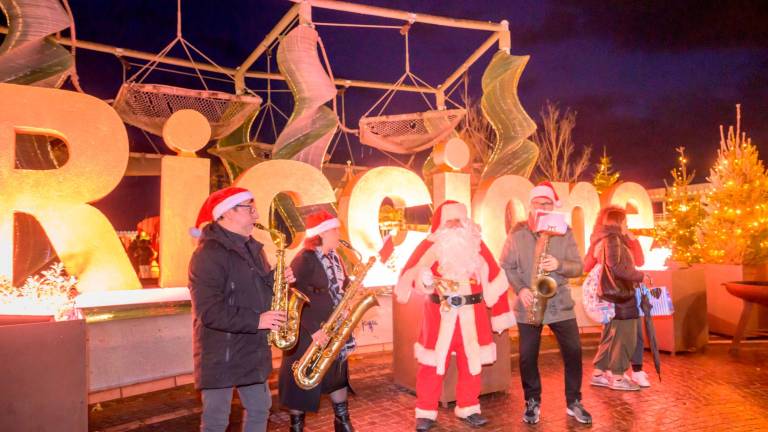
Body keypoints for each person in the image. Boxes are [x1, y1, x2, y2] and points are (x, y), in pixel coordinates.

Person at [396, 201, 515, 432]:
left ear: (466, 222)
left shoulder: (477, 245)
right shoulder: (430, 246)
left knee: (471, 363)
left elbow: (496, 279)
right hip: (439, 316)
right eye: (449, 221)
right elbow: (410, 276)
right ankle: (426, 411)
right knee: (431, 364)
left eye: (459, 220)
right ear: (440, 223)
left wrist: (499, 314)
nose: (454, 225)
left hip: (473, 315)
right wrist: (424, 279)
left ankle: (469, 407)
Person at [188, 186, 294, 432]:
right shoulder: (207, 255)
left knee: (260, 409)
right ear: (227, 213)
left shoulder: (254, 249)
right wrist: (257, 320)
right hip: (220, 353)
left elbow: (259, 293)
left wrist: (276, 279)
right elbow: (209, 311)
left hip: (252, 348)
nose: (257, 215)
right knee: (216, 420)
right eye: (250, 208)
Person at [500, 182, 592, 425]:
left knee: (573, 352)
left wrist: (558, 264)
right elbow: (506, 265)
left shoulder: (565, 232)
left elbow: (578, 267)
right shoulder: (517, 233)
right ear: (530, 206)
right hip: (529, 303)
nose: (542, 207)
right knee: (527, 357)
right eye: (538, 203)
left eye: (547, 203)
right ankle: (532, 401)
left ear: (553, 206)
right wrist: (520, 290)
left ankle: (574, 401)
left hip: (559, 303)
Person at [278, 210, 357, 432]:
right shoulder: (304, 259)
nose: (339, 233)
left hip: (331, 327)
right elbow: (292, 295)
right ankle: (297, 427)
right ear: (322, 233)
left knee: (336, 374)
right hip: (305, 330)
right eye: (335, 229)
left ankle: (343, 422)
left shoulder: (336, 258)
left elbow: (341, 287)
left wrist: (350, 292)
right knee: (299, 382)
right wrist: (313, 330)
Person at [583, 206, 652, 391]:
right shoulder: (613, 240)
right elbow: (617, 267)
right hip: (620, 294)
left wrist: (631, 238)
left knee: (610, 336)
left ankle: (599, 373)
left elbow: (635, 260)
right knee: (624, 336)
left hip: (611, 296)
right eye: (625, 222)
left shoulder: (608, 238)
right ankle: (619, 377)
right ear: (619, 222)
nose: (627, 225)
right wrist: (640, 276)